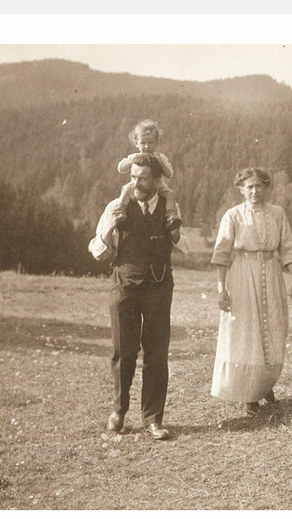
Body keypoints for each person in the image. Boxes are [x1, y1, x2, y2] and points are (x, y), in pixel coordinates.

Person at [88, 153, 187, 440]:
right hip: (124, 286)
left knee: (156, 353)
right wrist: (110, 226)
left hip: (158, 286)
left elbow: (184, 246)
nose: (136, 183)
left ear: (156, 180)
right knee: (124, 352)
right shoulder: (116, 206)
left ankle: (153, 419)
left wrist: (174, 230)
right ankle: (119, 411)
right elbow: (97, 251)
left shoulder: (170, 207)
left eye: (142, 178)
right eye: (132, 177)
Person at [211, 168, 292, 416]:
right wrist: (221, 289)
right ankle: (248, 393)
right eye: (249, 187)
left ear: (266, 187)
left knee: (273, 328)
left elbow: (288, 248)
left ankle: (264, 385)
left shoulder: (277, 213)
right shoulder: (233, 215)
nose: (254, 191)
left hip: (272, 274)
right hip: (243, 275)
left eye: (259, 186)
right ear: (241, 190)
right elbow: (221, 255)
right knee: (246, 331)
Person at [112, 119, 181, 233]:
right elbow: (121, 168)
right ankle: (120, 213)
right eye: (143, 143)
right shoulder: (135, 156)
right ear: (136, 143)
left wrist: (161, 164)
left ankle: (171, 217)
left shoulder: (160, 157)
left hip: (159, 187)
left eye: (150, 142)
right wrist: (133, 161)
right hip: (138, 186)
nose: (147, 146)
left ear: (156, 142)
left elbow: (169, 174)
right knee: (126, 189)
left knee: (170, 194)